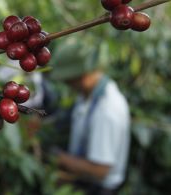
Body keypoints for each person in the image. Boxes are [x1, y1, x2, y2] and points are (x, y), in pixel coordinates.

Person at [50, 37, 131, 195]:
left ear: (84, 76)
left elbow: (101, 170)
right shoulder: (88, 94)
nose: (68, 86)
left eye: (69, 81)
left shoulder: (107, 110)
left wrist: (60, 159)